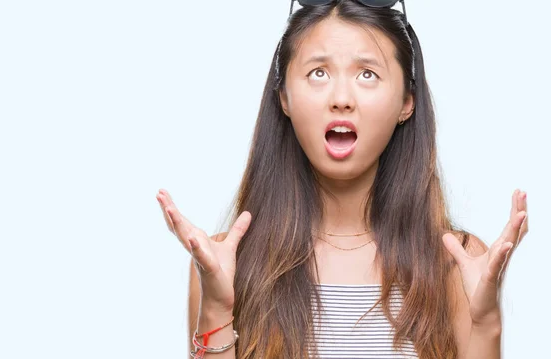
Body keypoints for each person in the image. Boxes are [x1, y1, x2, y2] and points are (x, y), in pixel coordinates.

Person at [156, 1, 529, 358]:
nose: (341, 98)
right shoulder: (227, 264)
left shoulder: (456, 263)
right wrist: (218, 307)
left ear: (406, 102)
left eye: (367, 73)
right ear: (284, 96)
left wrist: (485, 323)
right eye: (318, 72)